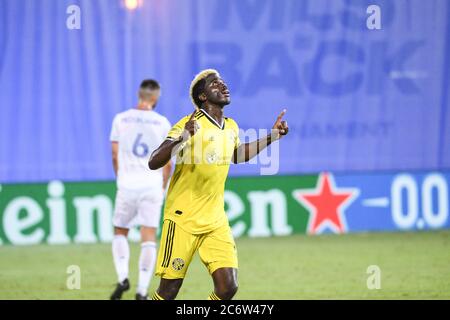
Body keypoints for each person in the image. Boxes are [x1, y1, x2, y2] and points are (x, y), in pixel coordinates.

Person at [147, 69, 289, 300]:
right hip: (183, 219)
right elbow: (154, 161)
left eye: (223, 82)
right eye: (215, 84)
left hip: (215, 220)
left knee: (228, 288)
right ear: (202, 96)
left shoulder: (231, 126)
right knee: (169, 291)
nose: (223, 86)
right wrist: (183, 137)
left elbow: (238, 154)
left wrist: (273, 136)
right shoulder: (189, 123)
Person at [109, 79, 172, 300]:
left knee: (120, 231)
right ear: (155, 97)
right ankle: (142, 290)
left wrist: (121, 177)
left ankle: (123, 277)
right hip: (152, 185)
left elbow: (115, 154)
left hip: (127, 184)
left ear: (139, 94)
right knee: (148, 237)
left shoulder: (121, 119)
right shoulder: (162, 122)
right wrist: (163, 186)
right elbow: (167, 160)